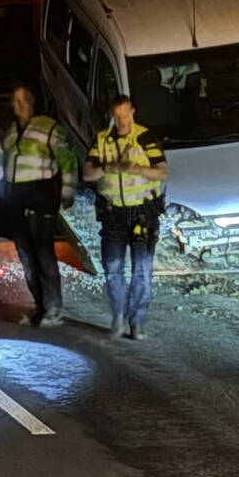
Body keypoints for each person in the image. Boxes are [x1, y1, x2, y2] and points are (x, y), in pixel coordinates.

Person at [83, 96, 169, 340]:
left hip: (142, 213)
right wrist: (107, 168)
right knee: (113, 268)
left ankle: (137, 322)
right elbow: (87, 173)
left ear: (132, 112)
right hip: (113, 213)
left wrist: (137, 169)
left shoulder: (145, 138)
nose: (122, 119)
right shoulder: (102, 139)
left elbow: (162, 172)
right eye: (117, 115)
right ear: (112, 115)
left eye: (125, 113)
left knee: (141, 270)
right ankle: (118, 318)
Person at [0, 85, 78, 328]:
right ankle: (40, 307)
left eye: (22, 100)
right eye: (15, 101)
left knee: (44, 254)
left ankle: (54, 309)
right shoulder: (11, 132)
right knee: (26, 256)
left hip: (41, 194)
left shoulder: (48, 127)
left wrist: (67, 191)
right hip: (16, 197)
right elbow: (0, 160)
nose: (18, 105)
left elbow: (67, 160)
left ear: (31, 103)